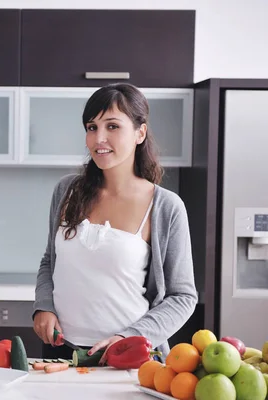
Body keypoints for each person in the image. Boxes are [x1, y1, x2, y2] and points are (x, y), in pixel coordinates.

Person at [32, 83, 198, 363]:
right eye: (91, 127)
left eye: (112, 126)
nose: (99, 139)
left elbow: (183, 297)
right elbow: (50, 261)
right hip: (61, 354)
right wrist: (44, 307)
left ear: (139, 133)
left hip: (129, 358)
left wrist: (129, 338)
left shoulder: (165, 206)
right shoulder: (66, 191)